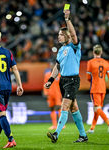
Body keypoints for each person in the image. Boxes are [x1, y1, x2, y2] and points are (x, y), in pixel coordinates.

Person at [44, 9, 88, 143]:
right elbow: (57, 67)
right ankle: (83, 136)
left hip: (72, 81)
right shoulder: (61, 50)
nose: (58, 37)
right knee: (74, 108)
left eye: (61, 35)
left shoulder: (75, 47)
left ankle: (56, 133)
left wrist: (67, 19)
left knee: (64, 107)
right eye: (58, 35)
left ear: (67, 36)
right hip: (63, 81)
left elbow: (74, 34)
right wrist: (51, 80)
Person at [86, 45, 109, 133]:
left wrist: (93, 81)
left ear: (93, 52)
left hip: (95, 88)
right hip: (103, 89)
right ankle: (92, 128)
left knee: (96, 108)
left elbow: (88, 77)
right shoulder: (106, 63)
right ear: (101, 52)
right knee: (97, 109)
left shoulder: (90, 62)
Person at [43, 62, 65, 130]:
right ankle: (54, 125)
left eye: (54, 65)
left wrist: (62, 93)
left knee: (59, 108)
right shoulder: (47, 75)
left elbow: (62, 85)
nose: (52, 67)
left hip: (58, 94)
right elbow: (45, 84)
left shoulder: (59, 75)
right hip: (50, 95)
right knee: (52, 108)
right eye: (51, 65)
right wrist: (46, 93)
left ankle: (61, 124)